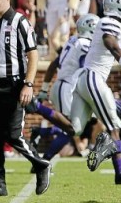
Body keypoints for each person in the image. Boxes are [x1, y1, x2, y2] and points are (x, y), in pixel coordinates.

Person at [0, 0, 51, 198]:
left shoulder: (20, 21)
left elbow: (33, 53)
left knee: (13, 134)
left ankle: (40, 164)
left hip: (14, 84)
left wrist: (28, 84)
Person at [71, 0, 121, 184]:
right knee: (115, 126)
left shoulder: (114, 24)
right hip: (93, 78)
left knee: (76, 129)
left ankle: (104, 145)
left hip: (87, 80)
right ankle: (119, 171)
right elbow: (110, 42)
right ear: (118, 6)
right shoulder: (110, 23)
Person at [35, 14, 100, 162]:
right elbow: (85, 70)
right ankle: (37, 107)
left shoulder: (73, 41)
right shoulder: (85, 45)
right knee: (71, 129)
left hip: (62, 86)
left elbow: (54, 65)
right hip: (69, 88)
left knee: (71, 128)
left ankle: (43, 156)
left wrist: (45, 89)